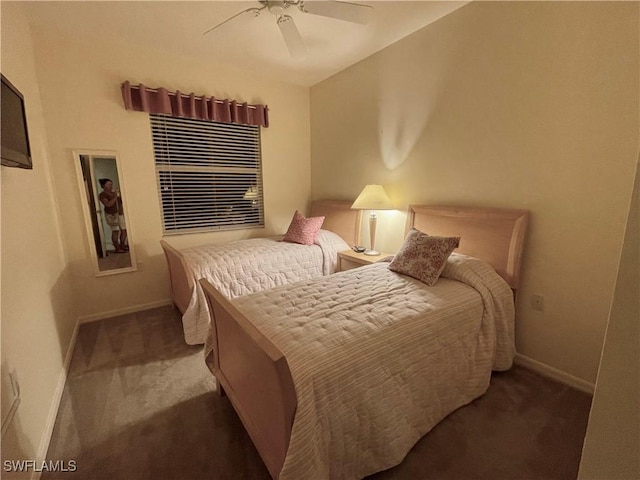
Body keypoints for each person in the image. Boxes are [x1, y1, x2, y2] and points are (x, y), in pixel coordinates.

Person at [98, 178, 128, 253]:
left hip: (120, 214)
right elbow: (108, 204)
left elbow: (121, 202)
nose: (111, 186)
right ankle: (117, 249)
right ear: (103, 185)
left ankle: (123, 245)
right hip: (112, 215)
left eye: (111, 184)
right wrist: (115, 197)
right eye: (108, 184)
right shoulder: (102, 194)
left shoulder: (114, 193)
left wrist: (120, 196)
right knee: (115, 231)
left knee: (124, 231)